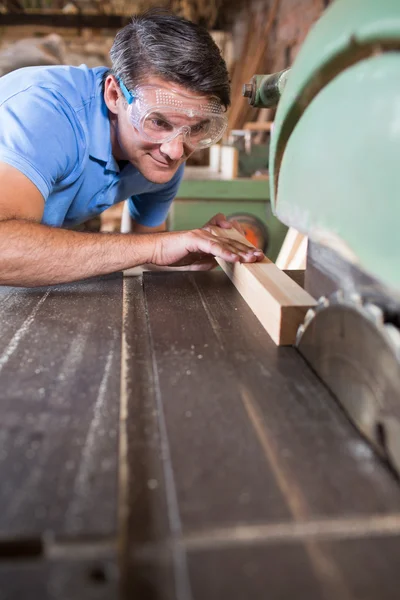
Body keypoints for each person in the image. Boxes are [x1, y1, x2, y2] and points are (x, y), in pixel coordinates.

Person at [0, 10, 264, 288]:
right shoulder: (45, 115)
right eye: (159, 121)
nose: (175, 151)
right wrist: (157, 247)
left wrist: (189, 252)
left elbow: (140, 249)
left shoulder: (165, 151)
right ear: (115, 95)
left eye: (197, 128)